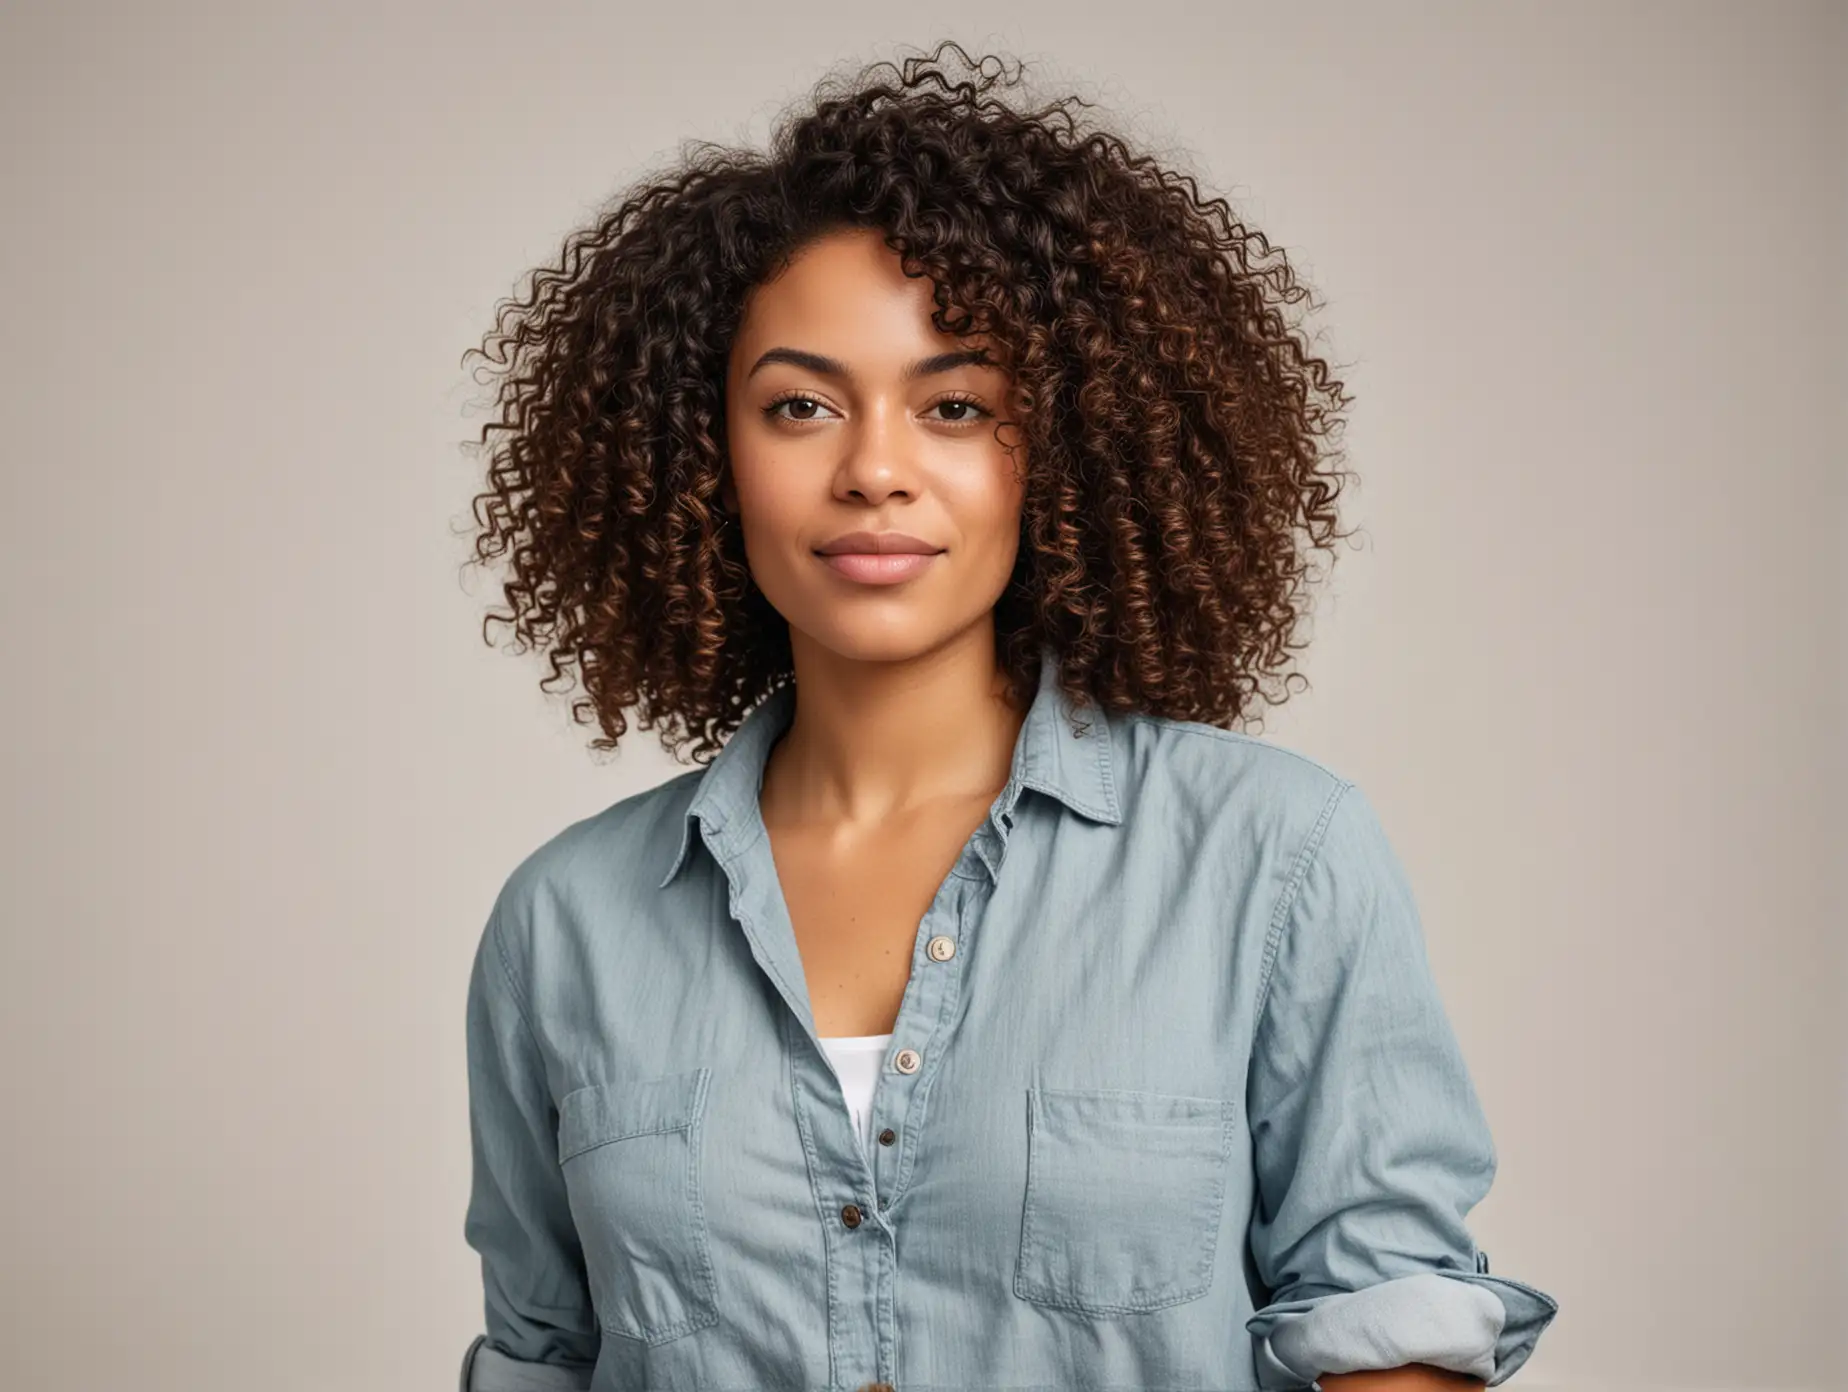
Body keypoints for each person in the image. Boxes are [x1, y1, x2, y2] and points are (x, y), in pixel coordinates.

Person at [456, 41, 1559, 1392]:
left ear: (1067, 444)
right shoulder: (565, 924)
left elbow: (1390, 1329)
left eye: (956, 406)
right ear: (699, 451)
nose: (873, 470)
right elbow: (544, 1359)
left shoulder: (1274, 861)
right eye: (799, 406)